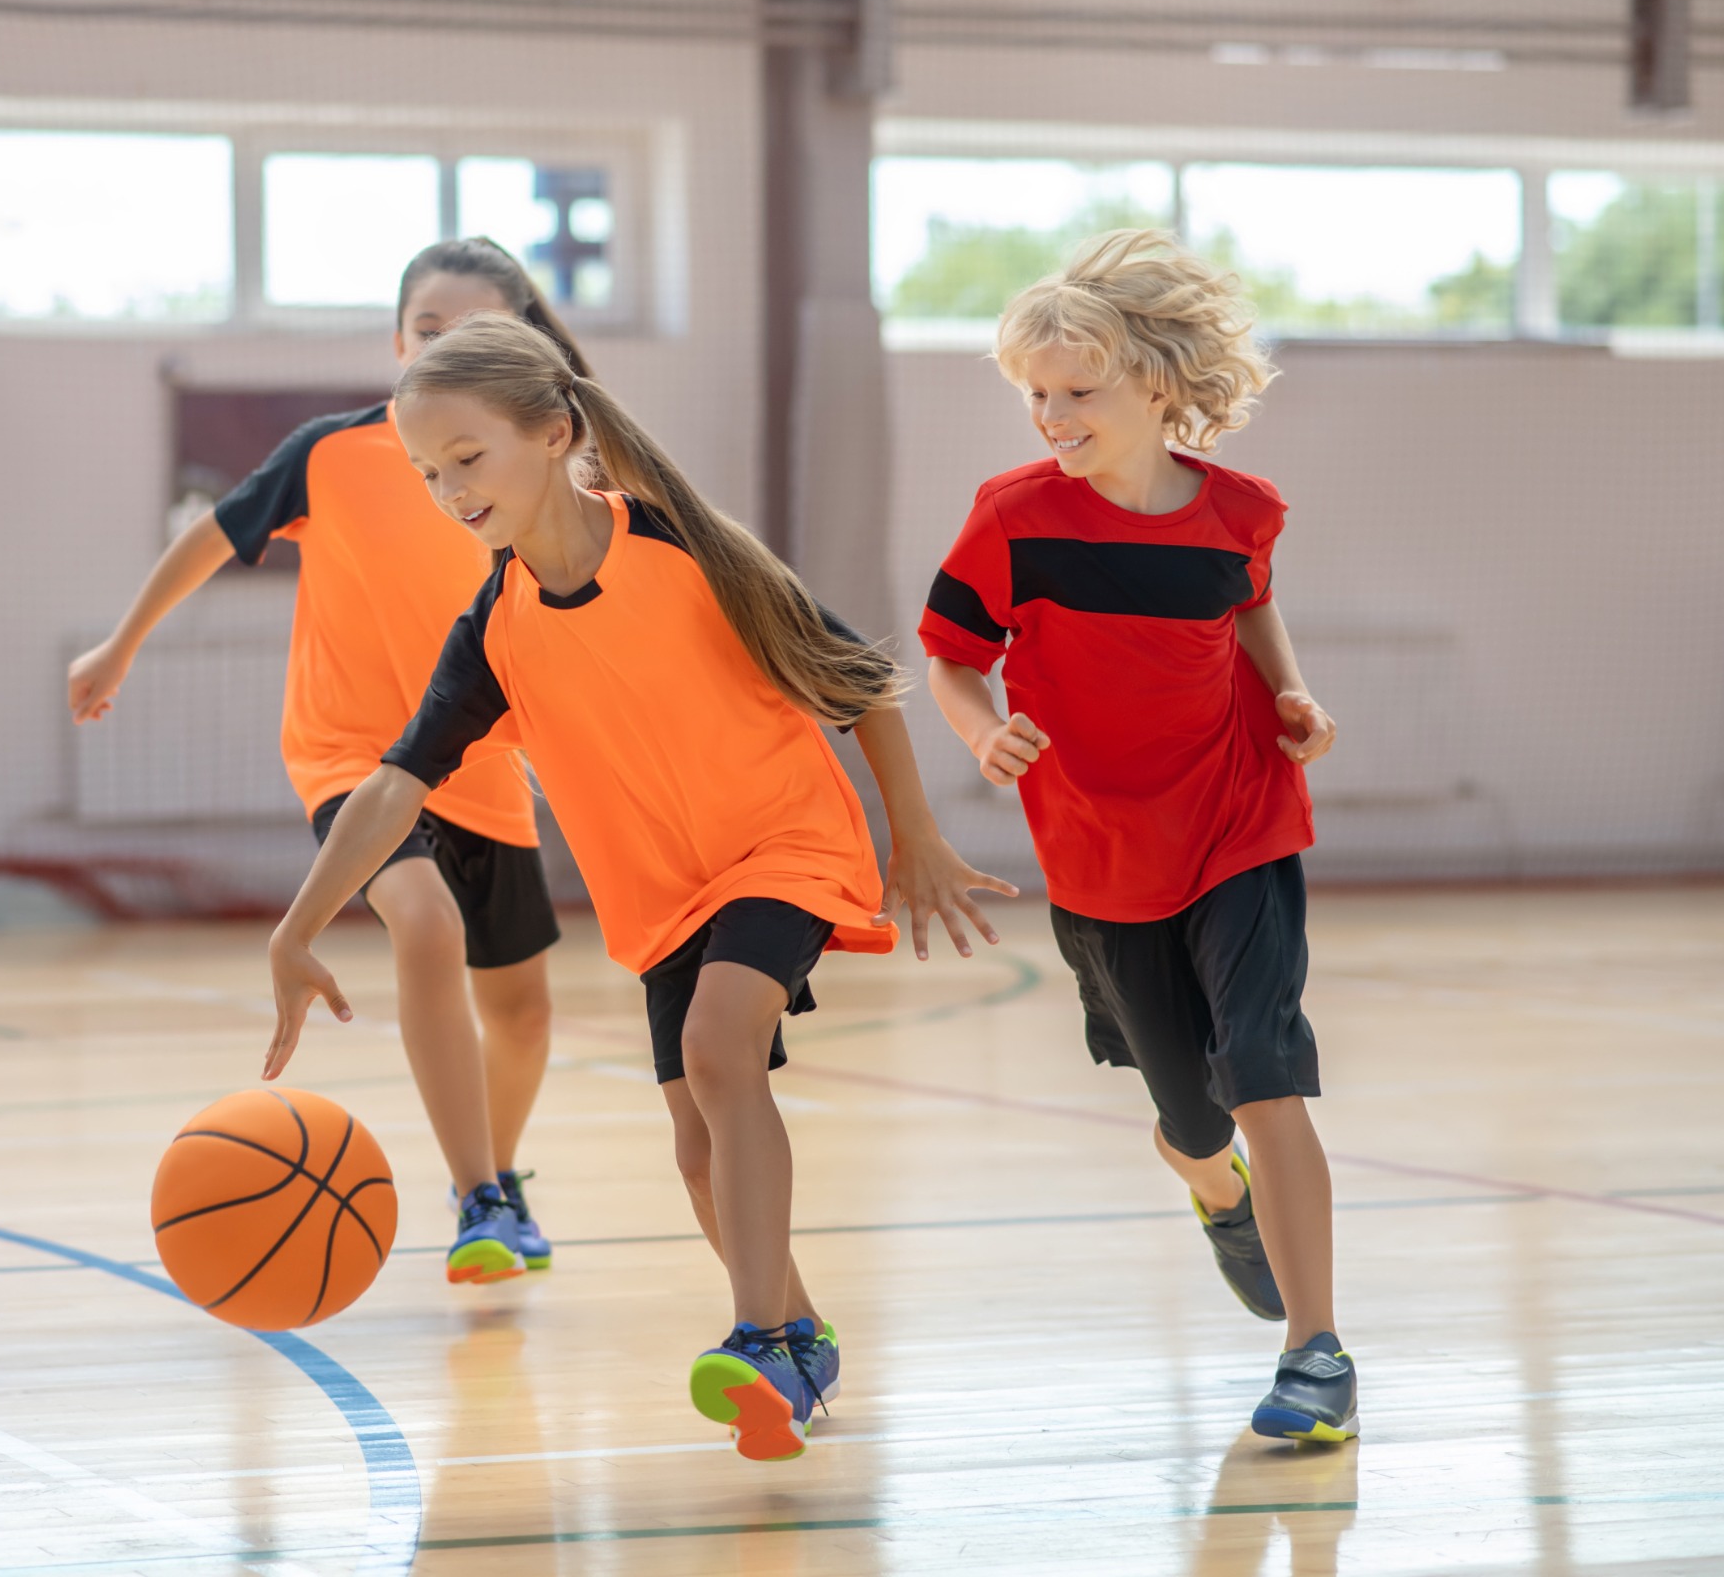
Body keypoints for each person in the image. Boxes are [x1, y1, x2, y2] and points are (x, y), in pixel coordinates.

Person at [262, 311, 1018, 1463]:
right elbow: (393, 786)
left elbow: (859, 678)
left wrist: (911, 834)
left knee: (722, 1052)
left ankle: (760, 1331)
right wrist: (298, 926)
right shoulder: (493, 629)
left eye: (468, 458)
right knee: (696, 1144)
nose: (447, 489)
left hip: (782, 841)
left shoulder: (679, 544)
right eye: (426, 471)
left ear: (555, 432)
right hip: (661, 897)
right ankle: (802, 1330)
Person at [69, 240, 580, 1286]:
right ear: (400, 343)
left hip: (483, 763)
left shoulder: (540, 471)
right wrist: (121, 641)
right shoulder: (331, 454)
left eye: (477, 333)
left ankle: (495, 1175)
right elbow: (210, 538)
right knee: (426, 921)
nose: (446, 347)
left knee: (523, 1010)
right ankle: (481, 1192)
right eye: (431, 331)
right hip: (352, 753)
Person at [919, 229, 1352, 1443]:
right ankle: (1218, 1191)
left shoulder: (1243, 510)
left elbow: (1251, 605)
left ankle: (1316, 1351)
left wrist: (1290, 696)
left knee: (1266, 1067)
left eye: (1078, 392)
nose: (1051, 415)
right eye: (1036, 395)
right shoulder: (1013, 518)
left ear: (1158, 383)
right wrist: (980, 731)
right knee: (1195, 1114)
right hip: (1102, 855)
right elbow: (952, 657)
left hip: (1239, 818)